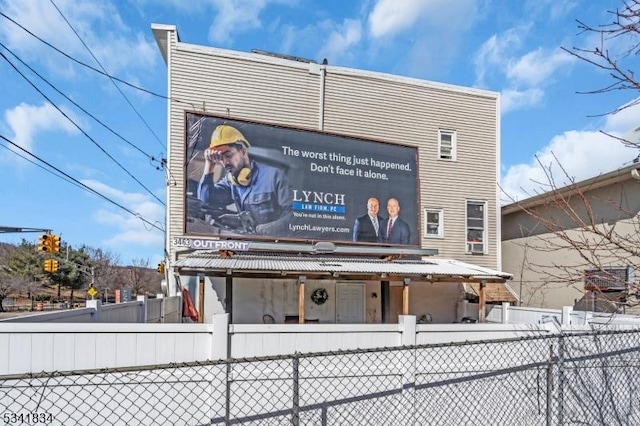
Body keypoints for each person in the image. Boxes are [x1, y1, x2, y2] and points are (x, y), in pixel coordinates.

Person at [197, 124, 292, 235]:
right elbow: (205, 200)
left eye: (228, 155)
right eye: (220, 158)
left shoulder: (274, 176)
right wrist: (210, 165)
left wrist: (266, 230)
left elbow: (295, 217)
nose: (225, 162)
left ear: (243, 151)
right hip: (250, 243)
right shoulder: (231, 182)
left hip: (276, 244)